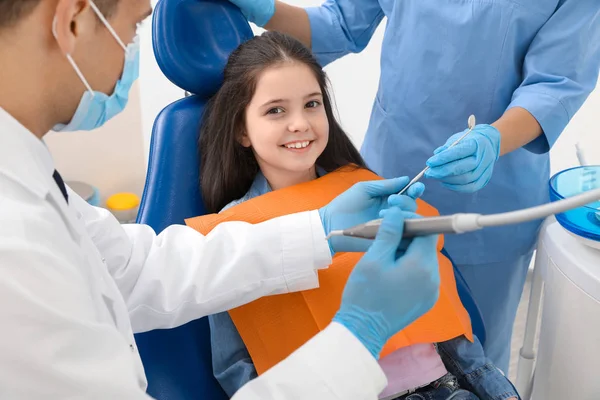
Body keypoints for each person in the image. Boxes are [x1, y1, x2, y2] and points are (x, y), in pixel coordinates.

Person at [0, 1, 443, 399]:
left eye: (312, 105)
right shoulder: (16, 244)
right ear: (72, 20)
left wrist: (320, 228)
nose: (127, 58)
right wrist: (360, 336)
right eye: (133, 30)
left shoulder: (28, 177)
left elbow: (137, 269)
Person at [226, 0, 600, 373]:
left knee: (472, 356)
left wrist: (494, 141)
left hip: (491, 197)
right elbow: (339, 23)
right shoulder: (242, 225)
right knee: (375, 356)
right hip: (388, 182)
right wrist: (263, 8)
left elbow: (556, 83)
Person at [200, 31, 518, 400]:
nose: (300, 123)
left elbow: (445, 317)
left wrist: (494, 388)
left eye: (312, 104)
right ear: (241, 129)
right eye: (276, 110)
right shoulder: (232, 231)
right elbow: (236, 366)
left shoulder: (364, 190)